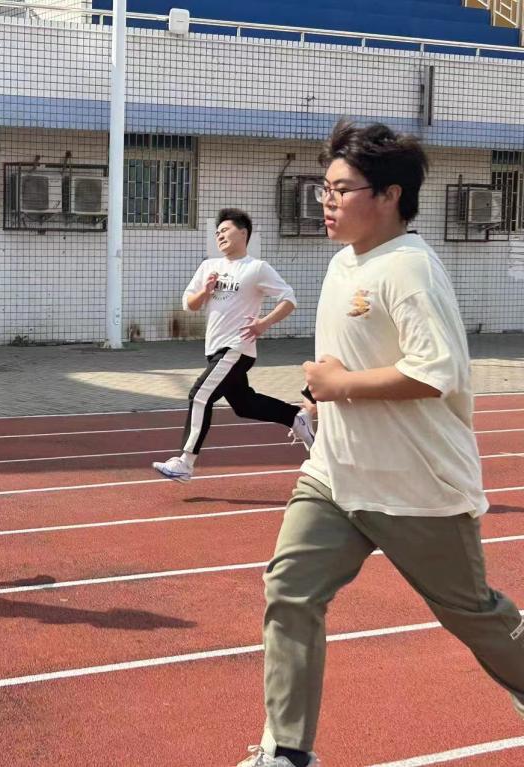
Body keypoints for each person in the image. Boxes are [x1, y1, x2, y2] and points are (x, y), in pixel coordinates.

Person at [237, 121, 524, 767]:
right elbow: (356, 358)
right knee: (289, 589)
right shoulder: (344, 261)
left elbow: (436, 371)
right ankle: (286, 750)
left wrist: (340, 385)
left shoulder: (411, 268)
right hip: (337, 474)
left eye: (341, 189)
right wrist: (325, 398)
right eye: (325, 189)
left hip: (416, 484)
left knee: (472, 613)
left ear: (390, 195)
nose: (327, 201)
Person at [153, 208, 315, 483]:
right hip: (215, 348)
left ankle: (185, 462)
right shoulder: (209, 267)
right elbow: (189, 304)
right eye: (217, 232)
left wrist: (264, 323)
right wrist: (205, 291)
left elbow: (289, 299)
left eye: (225, 230)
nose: (219, 235)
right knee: (244, 404)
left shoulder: (256, 268)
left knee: (199, 395)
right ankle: (295, 417)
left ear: (243, 233)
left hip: (237, 348)